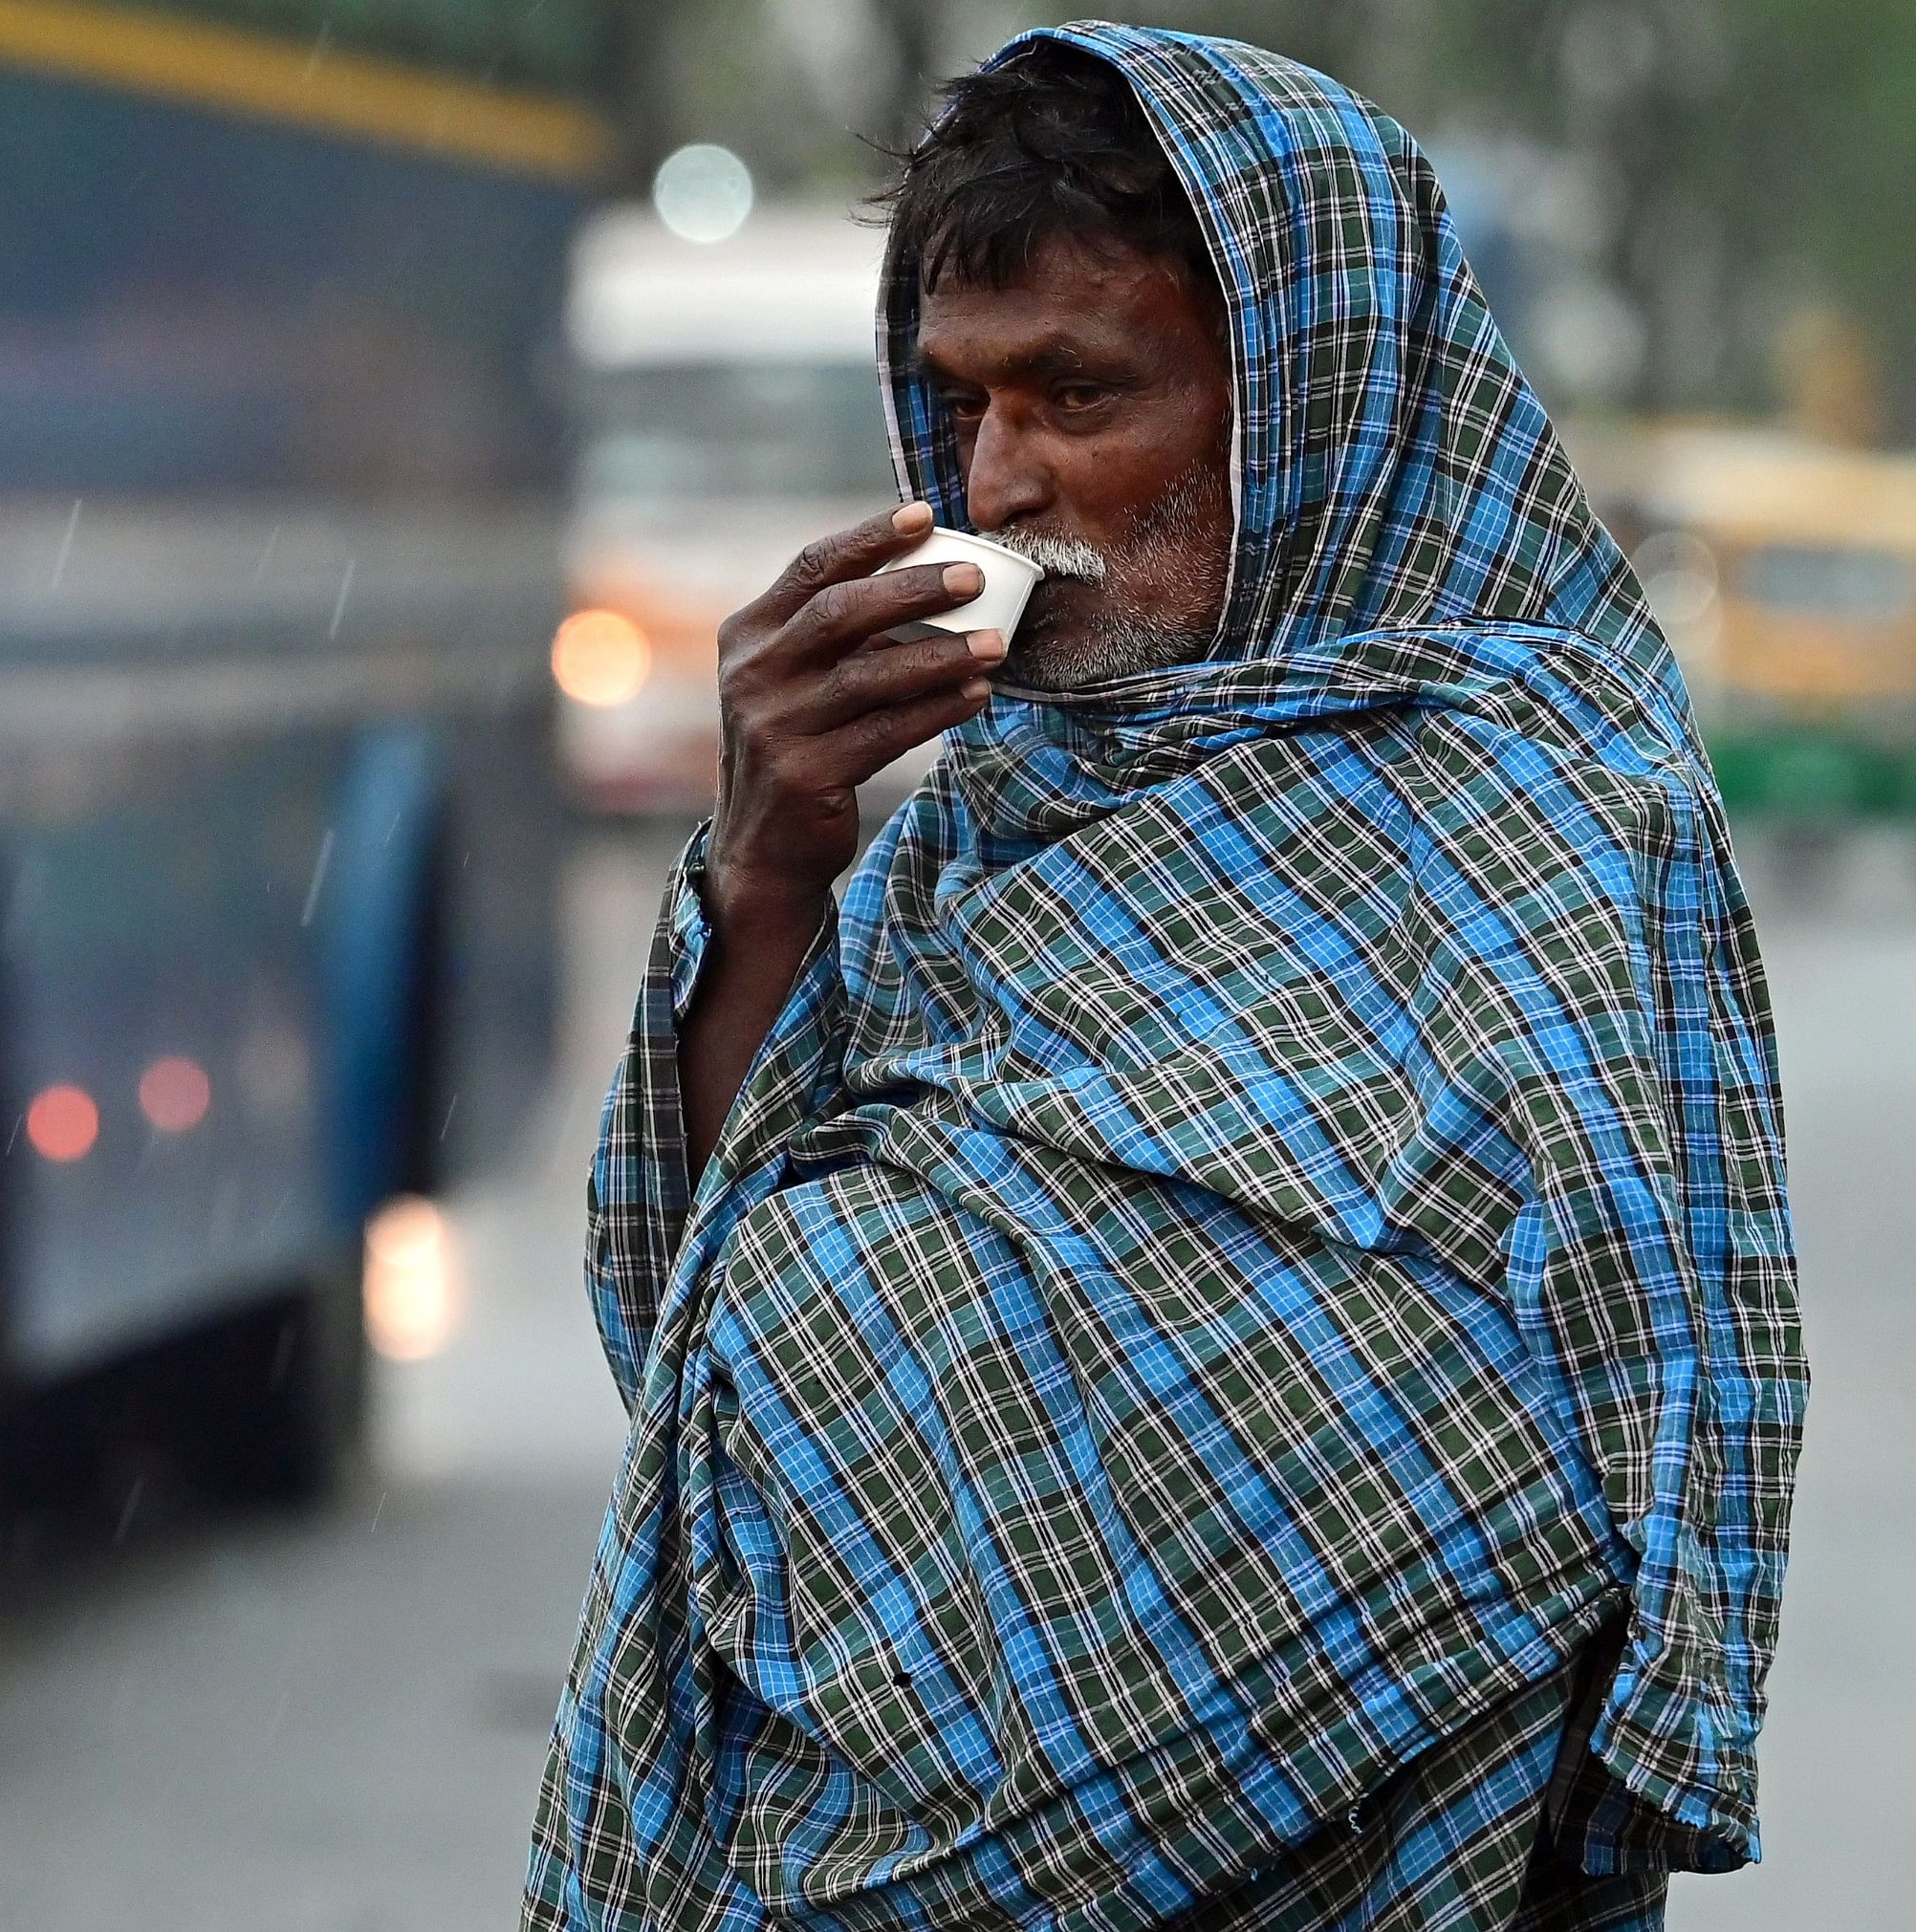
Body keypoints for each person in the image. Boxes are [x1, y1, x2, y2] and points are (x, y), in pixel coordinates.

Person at [523, 23, 1803, 1932]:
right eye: (959, 401)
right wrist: (770, 862)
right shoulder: (974, 830)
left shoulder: (1547, 823)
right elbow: (688, 1342)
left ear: (1307, 404)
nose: (997, 482)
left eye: (1078, 392)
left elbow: (1619, 1456)